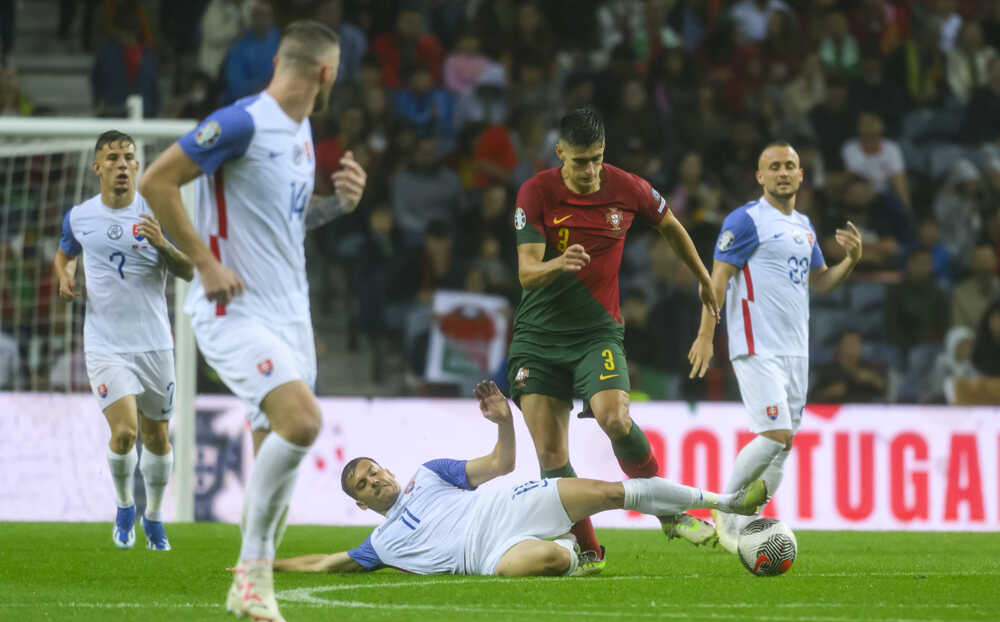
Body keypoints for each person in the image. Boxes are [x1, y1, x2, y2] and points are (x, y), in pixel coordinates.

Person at [137, 21, 367, 622]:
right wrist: (205, 263)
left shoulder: (301, 132)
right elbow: (156, 181)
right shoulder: (240, 123)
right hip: (232, 310)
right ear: (327, 72)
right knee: (303, 421)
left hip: (291, 316)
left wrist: (339, 205)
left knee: (279, 463)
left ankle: (251, 584)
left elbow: (284, 225)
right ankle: (253, 575)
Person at [506, 107, 721, 573]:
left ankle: (669, 512)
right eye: (579, 161)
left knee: (616, 418)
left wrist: (703, 278)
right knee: (551, 454)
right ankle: (587, 550)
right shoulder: (536, 192)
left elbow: (671, 226)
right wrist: (557, 264)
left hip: (596, 333)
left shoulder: (628, 188)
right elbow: (526, 272)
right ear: (559, 152)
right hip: (538, 340)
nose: (589, 171)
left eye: (597, 159)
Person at [273, 382, 766, 577]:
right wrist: (265, 565)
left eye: (373, 470)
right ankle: (573, 552)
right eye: (363, 485)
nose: (374, 480)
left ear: (388, 469)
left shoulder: (429, 474)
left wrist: (505, 423)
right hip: (487, 556)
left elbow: (501, 465)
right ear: (361, 504)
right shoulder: (380, 544)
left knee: (610, 492)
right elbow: (323, 563)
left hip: (509, 504)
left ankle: (728, 502)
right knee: (554, 559)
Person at [688, 141, 863, 554]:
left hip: (796, 352)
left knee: (785, 445)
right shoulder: (746, 220)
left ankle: (747, 522)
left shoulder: (804, 226)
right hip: (756, 346)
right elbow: (717, 281)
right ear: (760, 176)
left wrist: (851, 261)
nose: (783, 172)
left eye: (790, 166)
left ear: (801, 175)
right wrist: (705, 335)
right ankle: (724, 508)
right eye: (774, 166)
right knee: (775, 436)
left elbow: (820, 281)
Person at [52, 130, 194, 552]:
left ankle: (155, 516)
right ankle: (124, 506)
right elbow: (65, 253)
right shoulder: (80, 217)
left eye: (128, 157)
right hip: (105, 344)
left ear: (137, 166)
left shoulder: (158, 212)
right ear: (97, 167)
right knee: (125, 433)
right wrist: (65, 275)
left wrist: (162, 243)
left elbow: (189, 270)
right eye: (112, 157)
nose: (121, 164)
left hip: (154, 343)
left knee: (158, 439)